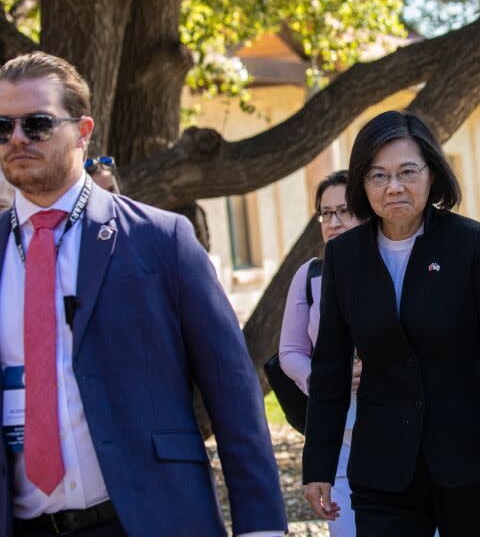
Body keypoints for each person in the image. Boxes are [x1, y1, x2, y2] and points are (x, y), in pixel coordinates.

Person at [0, 51, 287, 535]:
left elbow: (232, 391)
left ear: (83, 130)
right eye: (2, 127)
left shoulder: (161, 239)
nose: (17, 139)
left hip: (149, 519)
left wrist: (261, 525)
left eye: (38, 123)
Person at [302, 110, 480, 536]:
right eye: (378, 175)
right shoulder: (344, 257)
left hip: (473, 463)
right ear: (361, 184)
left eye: (408, 171)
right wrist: (318, 466)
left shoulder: (473, 244)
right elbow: (330, 366)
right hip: (383, 466)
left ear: (432, 173)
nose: (394, 187)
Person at [278, 169, 362, 536]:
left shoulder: (396, 266)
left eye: (344, 210)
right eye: (326, 213)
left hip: (404, 428)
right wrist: (329, 379)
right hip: (339, 435)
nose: (334, 221)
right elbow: (290, 352)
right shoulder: (311, 275)